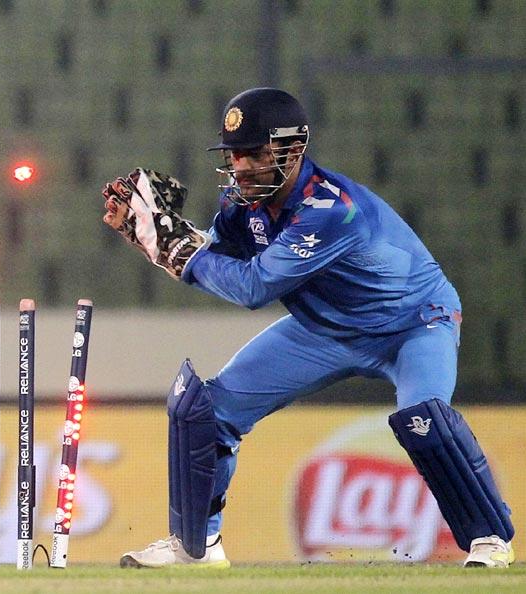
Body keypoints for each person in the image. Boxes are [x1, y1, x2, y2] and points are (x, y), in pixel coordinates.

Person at [102, 87, 515, 569]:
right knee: (208, 413)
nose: (240, 167)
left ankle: (490, 540)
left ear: (292, 150)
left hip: (413, 324)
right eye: (234, 154)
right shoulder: (244, 206)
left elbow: (253, 287)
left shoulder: (331, 210)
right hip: (325, 329)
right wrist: (156, 237)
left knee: (425, 419)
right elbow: (216, 258)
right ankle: (197, 546)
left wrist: (176, 248)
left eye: (253, 154)